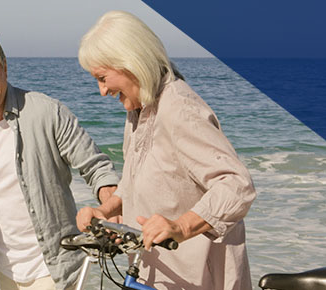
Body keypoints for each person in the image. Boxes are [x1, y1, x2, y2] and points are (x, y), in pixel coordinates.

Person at [74, 11, 257, 290]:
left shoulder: (178, 107)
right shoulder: (140, 109)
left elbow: (236, 184)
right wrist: (106, 210)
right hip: (154, 273)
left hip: (196, 277)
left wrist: (181, 227)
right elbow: (135, 181)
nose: (101, 91)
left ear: (130, 63)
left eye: (102, 77)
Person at [0, 28, 121, 290]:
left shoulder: (47, 111)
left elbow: (96, 167)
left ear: (5, 68)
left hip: (53, 269)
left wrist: (111, 207)